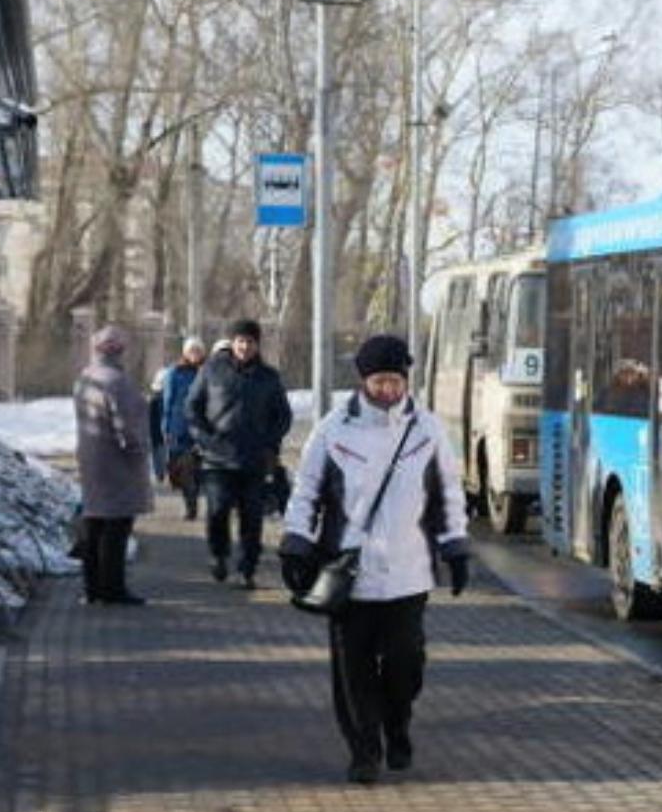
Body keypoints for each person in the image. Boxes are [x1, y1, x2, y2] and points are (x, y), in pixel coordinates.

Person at [280, 334, 469, 785]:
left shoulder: (427, 429)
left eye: (395, 381)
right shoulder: (333, 429)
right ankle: (364, 750)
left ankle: (397, 723)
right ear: (364, 381)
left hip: (409, 573)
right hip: (349, 574)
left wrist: (455, 546)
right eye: (379, 381)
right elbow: (306, 492)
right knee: (353, 670)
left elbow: (448, 493)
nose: (388, 390)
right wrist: (297, 543)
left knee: (407, 664)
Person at [187, 318, 292, 589]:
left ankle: (248, 567)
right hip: (216, 459)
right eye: (240, 341)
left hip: (253, 460)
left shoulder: (269, 377)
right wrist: (205, 439)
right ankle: (219, 554)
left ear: (257, 345)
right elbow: (192, 408)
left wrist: (268, 444)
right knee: (218, 509)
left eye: (250, 342)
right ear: (232, 343)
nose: (245, 346)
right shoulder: (211, 370)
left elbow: (283, 416)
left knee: (252, 517)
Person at [72, 325, 154, 605]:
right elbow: (127, 428)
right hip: (116, 464)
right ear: (119, 351)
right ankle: (113, 588)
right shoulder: (117, 382)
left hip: (91, 460)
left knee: (94, 524)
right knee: (117, 527)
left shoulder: (85, 378)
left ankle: (92, 587)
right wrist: (138, 452)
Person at [159, 336, 207, 519]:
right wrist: (166, 427)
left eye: (198, 350)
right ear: (185, 353)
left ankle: (191, 506)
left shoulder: (205, 371)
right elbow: (167, 401)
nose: (195, 354)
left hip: (199, 428)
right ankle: (189, 497)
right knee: (177, 470)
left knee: (191, 469)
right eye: (191, 350)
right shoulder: (174, 372)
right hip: (179, 427)